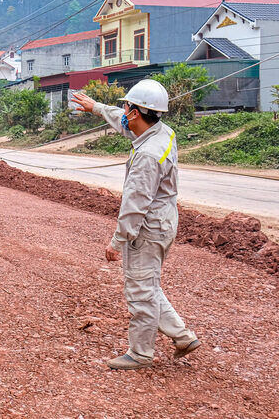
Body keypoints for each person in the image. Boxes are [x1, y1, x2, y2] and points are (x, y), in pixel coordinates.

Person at [71, 79, 200, 370]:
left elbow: (135, 204)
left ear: (136, 113)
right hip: (163, 222)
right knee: (148, 284)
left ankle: (140, 353)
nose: (124, 111)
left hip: (147, 229)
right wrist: (96, 108)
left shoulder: (147, 156)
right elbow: (124, 122)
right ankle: (182, 336)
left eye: (127, 106)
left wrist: (117, 241)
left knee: (140, 291)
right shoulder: (162, 132)